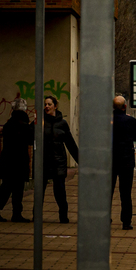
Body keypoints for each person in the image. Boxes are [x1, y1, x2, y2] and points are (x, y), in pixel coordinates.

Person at [0, 98, 34, 222]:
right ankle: (15, 214)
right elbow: (30, 140)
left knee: (6, 187)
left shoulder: (9, 124)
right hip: (19, 161)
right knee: (17, 189)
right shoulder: (23, 125)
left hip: (8, 161)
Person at [41, 96, 79, 224]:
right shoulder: (40, 121)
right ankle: (37, 215)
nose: (46, 106)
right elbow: (30, 136)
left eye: (49, 104)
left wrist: (81, 161)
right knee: (39, 190)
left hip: (58, 161)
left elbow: (70, 143)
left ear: (55, 106)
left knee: (60, 191)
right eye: (45, 104)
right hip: (43, 161)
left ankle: (63, 216)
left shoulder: (62, 123)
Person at [112, 96, 136, 230]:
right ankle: (126, 221)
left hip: (110, 159)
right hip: (126, 160)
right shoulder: (131, 121)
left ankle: (106, 217)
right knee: (125, 192)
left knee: (108, 191)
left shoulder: (108, 121)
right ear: (124, 107)